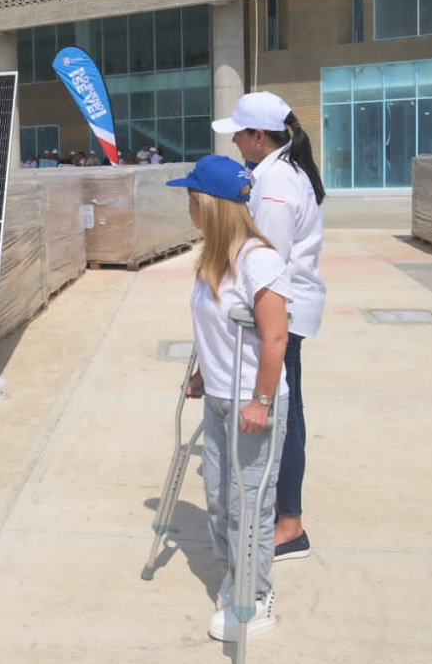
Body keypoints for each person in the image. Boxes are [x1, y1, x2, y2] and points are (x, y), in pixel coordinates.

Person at [167, 154, 290, 641]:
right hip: (218, 396)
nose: (188, 209)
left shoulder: (258, 259)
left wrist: (261, 400)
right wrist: (200, 372)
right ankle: (235, 576)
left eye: (191, 200)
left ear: (210, 206)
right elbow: (213, 329)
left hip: (248, 405)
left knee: (248, 504)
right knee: (219, 501)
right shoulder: (212, 259)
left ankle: (257, 597)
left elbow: (276, 336)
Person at [213, 90, 326, 562]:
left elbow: (267, 264)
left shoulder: (276, 185)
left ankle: (290, 525)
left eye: (239, 134)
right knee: (287, 413)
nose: (235, 141)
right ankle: (286, 514)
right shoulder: (277, 172)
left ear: (259, 136)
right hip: (290, 310)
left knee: (285, 416)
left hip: (282, 315)